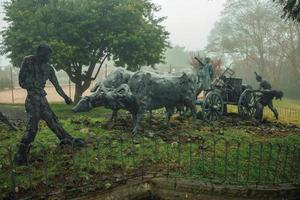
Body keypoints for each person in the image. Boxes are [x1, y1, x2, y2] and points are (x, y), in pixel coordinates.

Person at [14, 44, 84, 165]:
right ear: (39, 53)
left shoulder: (49, 68)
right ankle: (20, 155)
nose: (48, 57)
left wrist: (66, 97)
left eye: (49, 55)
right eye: (46, 54)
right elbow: (21, 81)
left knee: (53, 121)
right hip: (32, 100)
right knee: (32, 128)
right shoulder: (28, 61)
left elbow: (57, 85)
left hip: (41, 99)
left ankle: (66, 140)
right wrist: (33, 86)